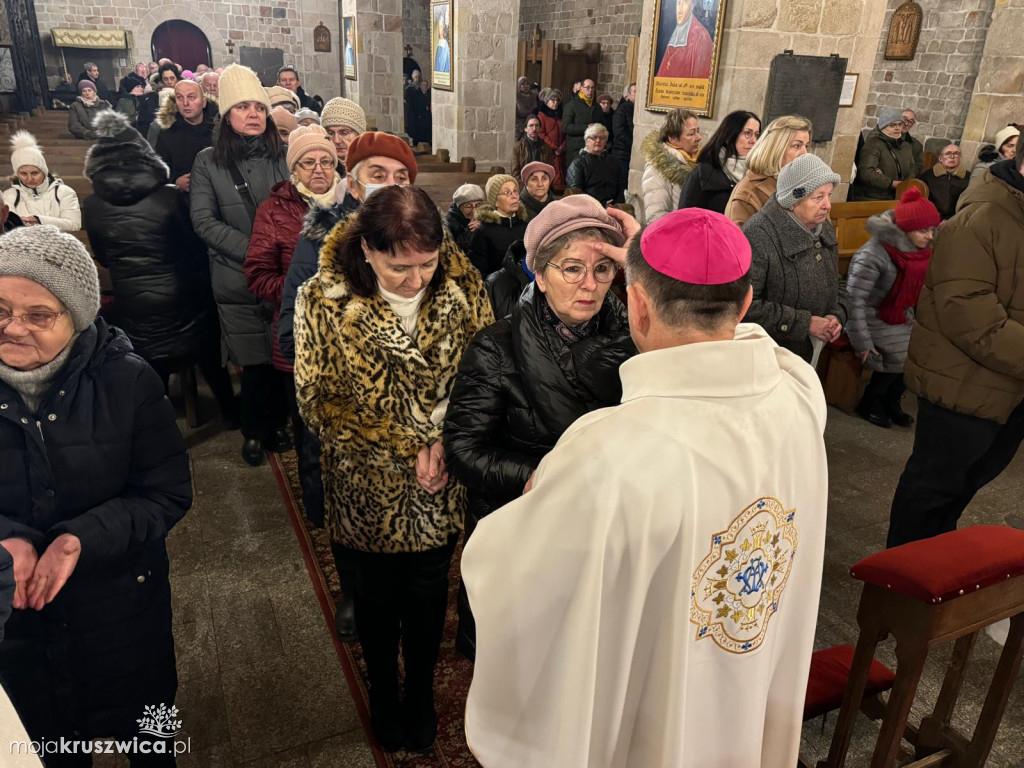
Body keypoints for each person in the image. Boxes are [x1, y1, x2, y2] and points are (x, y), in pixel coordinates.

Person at [461, 206, 828, 768]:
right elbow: (751, 339)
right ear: (748, 301)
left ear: (632, 300)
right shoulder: (799, 394)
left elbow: (510, 570)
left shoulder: (610, 449)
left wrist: (643, 270)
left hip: (658, 695)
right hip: (750, 661)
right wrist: (649, 261)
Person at [293, 185, 494, 752]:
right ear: (365, 251)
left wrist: (450, 443)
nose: (416, 280)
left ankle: (422, 693)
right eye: (398, 267)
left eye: (427, 264)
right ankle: (384, 690)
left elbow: (484, 379)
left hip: (440, 479)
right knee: (378, 601)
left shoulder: (464, 286)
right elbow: (319, 401)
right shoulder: (322, 298)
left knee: (430, 596)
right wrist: (412, 441)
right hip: (367, 482)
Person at [0, 225, 191, 764]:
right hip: (15, 625)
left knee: (150, 741)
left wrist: (78, 539)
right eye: (0, 309)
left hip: (122, 608)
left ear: (77, 317)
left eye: (39, 315)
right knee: (50, 745)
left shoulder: (127, 381)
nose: (14, 329)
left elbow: (166, 493)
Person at [446, 194, 634, 658]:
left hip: (600, 531)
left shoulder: (636, 340)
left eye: (603, 270)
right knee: (515, 660)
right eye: (572, 268)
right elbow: (463, 448)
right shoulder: (497, 347)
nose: (589, 284)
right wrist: (540, 476)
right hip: (519, 528)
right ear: (540, 274)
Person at [888, 149, 1024, 548]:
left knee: (962, 488)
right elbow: (967, 311)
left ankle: (930, 574)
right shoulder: (982, 217)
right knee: (931, 492)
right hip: (962, 386)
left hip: (1008, 388)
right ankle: (897, 589)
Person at [82, 110, 237, 425]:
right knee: (209, 350)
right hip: (184, 300)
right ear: (146, 158)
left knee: (151, 364)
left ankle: (155, 423)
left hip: (135, 305)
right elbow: (194, 247)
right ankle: (232, 414)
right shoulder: (169, 198)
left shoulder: (93, 205)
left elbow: (103, 256)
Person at [189, 64, 290, 467]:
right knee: (253, 361)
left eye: (259, 108)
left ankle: (279, 423)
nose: (253, 114)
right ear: (227, 115)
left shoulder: (282, 156)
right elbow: (204, 220)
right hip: (238, 277)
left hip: (282, 277)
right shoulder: (207, 162)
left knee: (283, 358)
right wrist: (255, 251)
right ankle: (253, 430)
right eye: (243, 107)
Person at [246, 125, 338, 378]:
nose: (319, 169)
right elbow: (258, 274)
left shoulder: (351, 203)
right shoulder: (273, 210)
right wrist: (302, 293)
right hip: (299, 327)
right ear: (294, 169)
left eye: (327, 161)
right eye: (308, 162)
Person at [846, 187, 938, 429]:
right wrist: (862, 341)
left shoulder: (917, 251)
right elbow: (853, 298)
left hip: (898, 312)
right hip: (870, 314)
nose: (930, 236)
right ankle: (871, 401)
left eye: (932, 230)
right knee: (900, 353)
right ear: (906, 229)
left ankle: (891, 400)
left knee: (921, 350)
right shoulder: (873, 255)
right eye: (923, 230)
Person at [743, 152, 848, 363]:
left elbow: (837, 281)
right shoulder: (758, 234)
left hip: (812, 350)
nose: (828, 205)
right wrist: (804, 323)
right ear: (792, 202)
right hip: (770, 356)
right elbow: (744, 306)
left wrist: (837, 315)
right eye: (818, 197)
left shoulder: (822, 226)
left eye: (829, 195)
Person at [725, 114, 812, 226]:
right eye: (797, 146)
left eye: (806, 146)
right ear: (777, 149)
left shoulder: (805, 183)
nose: (805, 154)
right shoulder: (747, 194)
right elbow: (742, 241)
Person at [679, 110, 760, 214]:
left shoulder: (758, 175)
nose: (753, 140)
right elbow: (685, 220)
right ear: (729, 135)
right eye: (747, 133)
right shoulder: (702, 174)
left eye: (756, 135)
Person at [3, 132, 81, 232]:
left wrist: (39, 220)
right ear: (17, 174)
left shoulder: (65, 192)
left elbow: (74, 225)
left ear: (44, 172)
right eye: (23, 173)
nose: (29, 179)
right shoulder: (9, 195)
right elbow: (9, 228)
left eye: (35, 173)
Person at [154, 79, 218, 193]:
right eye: (180, 97)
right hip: (185, 199)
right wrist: (175, 181)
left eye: (191, 97)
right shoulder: (168, 132)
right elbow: (159, 169)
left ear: (203, 102)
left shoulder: (220, 127)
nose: (185, 103)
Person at [641, 108, 699, 222]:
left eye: (698, 131)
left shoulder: (699, 162)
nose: (698, 137)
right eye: (691, 134)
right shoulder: (657, 168)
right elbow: (655, 217)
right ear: (673, 139)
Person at [468, 174, 529, 278]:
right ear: (495, 201)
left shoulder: (526, 226)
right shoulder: (483, 231)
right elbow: (478, 273)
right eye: (507, 192)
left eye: (515, 191)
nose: (514, 196)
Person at [849, 108, 915, 201]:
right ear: (884, 126)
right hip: (874, 197)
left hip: (897, 196)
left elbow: (912, 167)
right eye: (892, 125)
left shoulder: (905, 145)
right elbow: (865, 172)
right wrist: (891, 183)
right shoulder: (874, 143)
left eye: (900, 124)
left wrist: (906, 184)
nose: (897, 128)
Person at [567, 124, 625, 206]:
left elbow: (621, 186)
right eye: (594, 137)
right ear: (587, 141)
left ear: (605, 142)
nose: (598, 141)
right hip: (589, 209)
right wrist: (600, 204)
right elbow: (576, 193)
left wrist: (616, 204)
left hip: (614, 207)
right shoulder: (578, 163)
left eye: (602, 138)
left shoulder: (613, 161)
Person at [655, 0, 713, 79]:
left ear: (693, 6)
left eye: (685, 2)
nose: (680, 10)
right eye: (678, 3)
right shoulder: (675, 35)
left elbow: (699, 81)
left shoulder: (701, 37)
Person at [919, 144, 970, 220]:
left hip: (954, 221)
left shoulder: (969, 178)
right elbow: (920, 200)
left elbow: (968, 205)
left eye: (956, 154)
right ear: (940, 158)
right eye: (947, 154)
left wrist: (950, 220)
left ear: (960, 158)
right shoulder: (927, 176)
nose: (952, 157)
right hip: (928, 218)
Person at [320, 97, 367, 178]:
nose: (337, 140)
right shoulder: (316, 169)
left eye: (344, 133)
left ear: (359, 136)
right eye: (330, 133)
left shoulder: (372, 168)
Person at [136, 63, 180, 141]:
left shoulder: (184, 95)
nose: (169, 82)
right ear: (161, 80)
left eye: (172, 78)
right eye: (166, 79)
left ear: (177, 78)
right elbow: (143, 125)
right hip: (158, 138)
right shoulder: (149, 98)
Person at [562, 78, 599, 159]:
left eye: (592, 88)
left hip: (593, 148)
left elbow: (602, 124)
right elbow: (565, 127)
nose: (590, 90)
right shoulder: (571, 105)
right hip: (576, 148)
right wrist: (586, 128)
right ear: (581, 89)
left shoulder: (597, 106)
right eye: (588, 87)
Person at [536, 89, 566, 187]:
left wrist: (561, 147)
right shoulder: (542, 115)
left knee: (562, 172)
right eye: (552, 100)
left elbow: (566, 132)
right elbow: (541, 133)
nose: (555, 102)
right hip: (548, 150)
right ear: (547, 101)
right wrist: (554, 146)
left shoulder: (562, 114)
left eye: (557, 100)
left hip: (561, 151)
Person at [445, 183, 485, 253]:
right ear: (460, 207)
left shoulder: (485, 217)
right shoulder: (448, 221)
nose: (474, 210)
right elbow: (452, 250)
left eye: (478, 205)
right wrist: (470, 232)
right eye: (469, 206)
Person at [511, 115, 555, 180]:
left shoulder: (546, 148)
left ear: (540, 129)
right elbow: (515, 172)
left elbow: (549, 171)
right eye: (531, 125)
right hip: (524, 184)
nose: (534, 129)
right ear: (525, 129)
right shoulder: (518, 147)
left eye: (536, 126)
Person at [612, 83, 636, 182]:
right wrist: (634, 145)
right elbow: (620, 133)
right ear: (629, 94)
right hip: (622, 154)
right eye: (635, 92)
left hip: (633, 153)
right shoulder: (622, 110)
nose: (638, 95)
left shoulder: (638, 110)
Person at [900, 109, 924, 177]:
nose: (906, 124)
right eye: (904, 119)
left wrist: (906, 180)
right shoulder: (882, 138)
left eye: (910, 122)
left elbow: (918, 167)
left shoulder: (917, 146)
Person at [515, 76, 537, 141]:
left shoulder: (533, 96)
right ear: (519, 86)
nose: (525, 86)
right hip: (519, 126)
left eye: (527, 84)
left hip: (531, 124)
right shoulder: (516, 96)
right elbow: (518, 112)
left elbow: (535, 109)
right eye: (523, 84)